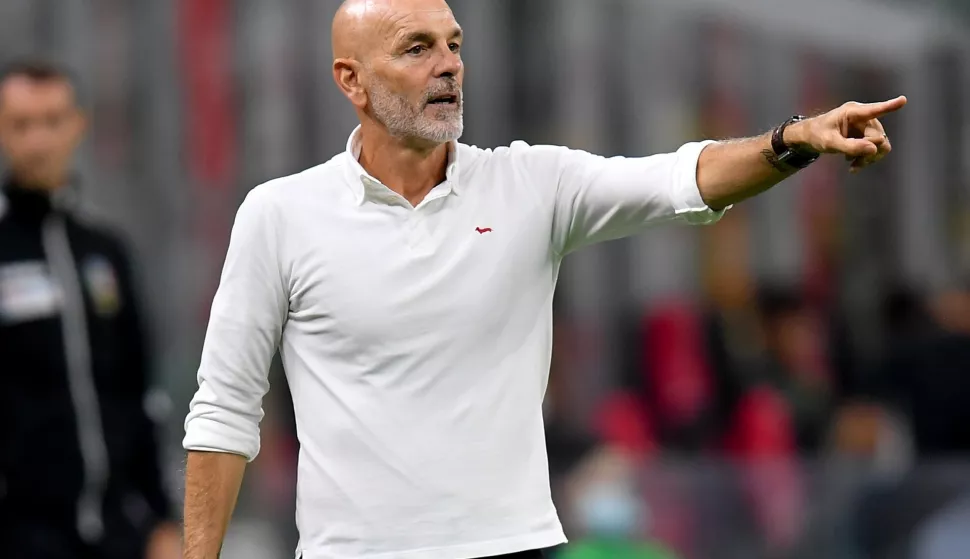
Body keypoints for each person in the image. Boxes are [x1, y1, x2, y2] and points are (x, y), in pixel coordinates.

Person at [181, 0, 905, 557]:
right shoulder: (280, 214)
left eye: (455, 44)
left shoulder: (531, 183)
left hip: (513, 546)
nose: (449, 64)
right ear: (352, 80)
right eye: (418, 48)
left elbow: (679, 180)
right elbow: (224, 413)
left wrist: (794, 141)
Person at [0, 60, 180, 559]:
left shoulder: (105, 253)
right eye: (22, 124)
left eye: (52, 121)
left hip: (119, 534)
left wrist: (163, 518)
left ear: (77, 125)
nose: (39, 140)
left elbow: (142, 392)